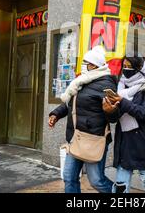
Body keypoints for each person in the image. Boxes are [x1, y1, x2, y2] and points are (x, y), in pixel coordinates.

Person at [48, 46, 117, 193]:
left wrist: (110, 111)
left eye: (85, 62)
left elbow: (114, 117)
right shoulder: (81, 81)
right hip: (76, 137)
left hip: (94, 139)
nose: (83, 65)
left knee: (97, 181)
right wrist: (56, 114)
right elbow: (72, 103)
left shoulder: (107, 83)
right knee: (69, 177)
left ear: (93, 65)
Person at [103, 55, 145, 193]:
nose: (126, 70)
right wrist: (109, 111)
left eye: (131, 67)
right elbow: (115, 118)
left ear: (140, 68)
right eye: (124, 66)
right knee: (120, 187)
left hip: (143, 142)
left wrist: (122, 102)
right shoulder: (121, 85)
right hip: (125, 142)